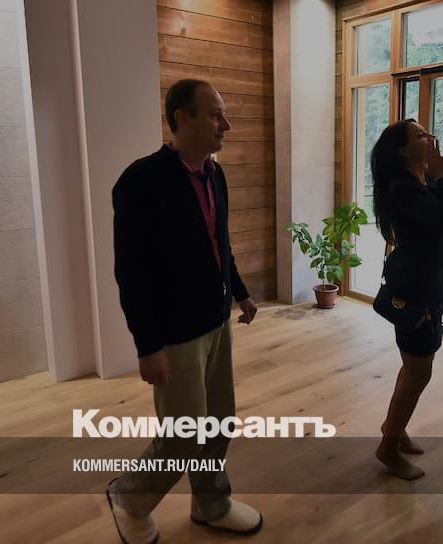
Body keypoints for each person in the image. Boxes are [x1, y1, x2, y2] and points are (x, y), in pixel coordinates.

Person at [106, 79, 263, 544]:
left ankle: (210, 504)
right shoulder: (140, 181)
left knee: (218, 422)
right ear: (181, 118)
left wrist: (240, 293)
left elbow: (220, 244)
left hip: (216, 321)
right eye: (215, 114)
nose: (225, 124)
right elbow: (131, 272)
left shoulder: (215, 175)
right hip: (174, 333)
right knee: (183, 435)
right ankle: (128, 498)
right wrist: (147, 346)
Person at [371, 119, 443, 480]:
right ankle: (388, 448)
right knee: (419, 371)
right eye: (420, 135)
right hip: (415, 289)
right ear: (403, 150)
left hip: (425, 283)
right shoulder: (402, 188)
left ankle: (393, 428)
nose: (430, 138)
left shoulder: (419, 181)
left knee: (412, 367)